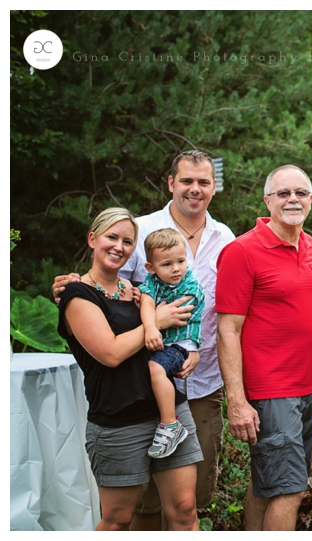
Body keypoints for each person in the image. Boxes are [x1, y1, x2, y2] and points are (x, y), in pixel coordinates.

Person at [53, 150, 235, 529]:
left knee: (187, 508)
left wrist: (203, 357)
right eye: (186, 180)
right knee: (130, 514)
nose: (194, 189)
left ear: (214, 187)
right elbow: (108, 340)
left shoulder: (223, 239)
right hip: (125, 404)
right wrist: (158, 319)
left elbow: (226, 313)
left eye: (203, 182)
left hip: (189, 387)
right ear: (171, 183)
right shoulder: (137, 237)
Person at [56, 207, 202, 530]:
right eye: (111, 237)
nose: (119, 247)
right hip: (119, 420)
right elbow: (109, 352)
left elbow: (179, 328)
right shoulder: (76, 294)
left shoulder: (137, 289)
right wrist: (157, 320)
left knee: (185, 510)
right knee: (118, 520)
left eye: (127, 241)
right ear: (92, 239)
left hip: (169, 413)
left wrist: (191, 351)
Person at [216, 164, 312, 531]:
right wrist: (237, 399)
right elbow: (227, 329)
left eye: (301, 193)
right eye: (283, 193)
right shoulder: (242, 251)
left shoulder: (311, 246)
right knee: (290, 489)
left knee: (268, 483)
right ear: (267, 200)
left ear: (311, 200)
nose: (293, 199)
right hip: (269, 391)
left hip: (303, 388)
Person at [139, 228, 205, 458]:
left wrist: (154, 319)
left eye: (181, 261)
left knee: (155, 368)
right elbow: (147, 301)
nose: (176, 268)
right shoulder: (152, 281)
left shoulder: (189, 286)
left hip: (182, 345)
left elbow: (171, 311)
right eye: (167, 264)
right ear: (151, 268)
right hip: (165, 343)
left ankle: (170, 425)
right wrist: (150, 325)